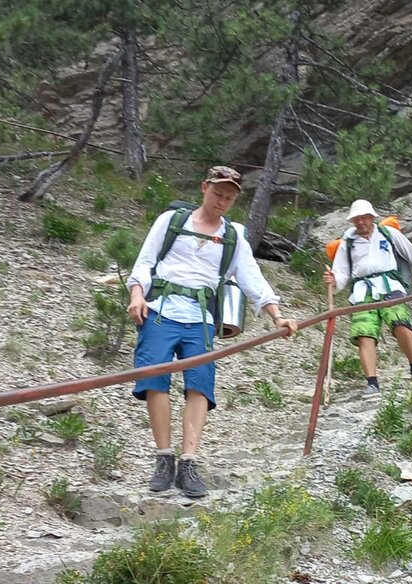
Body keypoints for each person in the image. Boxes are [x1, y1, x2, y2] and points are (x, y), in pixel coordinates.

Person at [127, 166, 298, 498]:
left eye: (229, 197)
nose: (222, 201)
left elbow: (252, 277)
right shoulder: (171, 221)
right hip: (160, 310)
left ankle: (189, 461)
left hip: (201, 317)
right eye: (218, 193)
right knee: (154, 380)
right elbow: (145, 261)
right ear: (204, 187)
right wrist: (137, 295)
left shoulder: (233, 236)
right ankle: (164, 458)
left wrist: (276, 314)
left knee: (200, 386)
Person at [323, 199, 412, 397]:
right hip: (362, 291)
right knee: (364, 334)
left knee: (401, 324)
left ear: (371, 217)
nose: (361, 222)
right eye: (357, 219)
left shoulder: (389, 234)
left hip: (390, 285)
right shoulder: (348, 241)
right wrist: (334, 280)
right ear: (352, 220)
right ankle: (372, 383)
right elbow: (342, 273)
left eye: (364, 218)